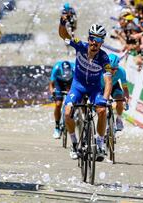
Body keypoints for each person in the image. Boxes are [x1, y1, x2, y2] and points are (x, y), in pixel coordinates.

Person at [59, 14, 113, 161]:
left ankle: (100, 143)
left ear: (102, 43)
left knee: (102, 111)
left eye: (99, 40)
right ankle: (75, 143)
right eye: (93, 39)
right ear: (88, 38)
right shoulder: (80, 45)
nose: (95, 43)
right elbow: (64, 35)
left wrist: (105, 99)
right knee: (68, 112)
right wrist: (63, 23)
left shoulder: (104, 58)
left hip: (94, 88)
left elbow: (108, 80)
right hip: (78, 86)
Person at [102, 54, 130, 131]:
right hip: (101, 87)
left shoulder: (121, 71)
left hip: (114, 85)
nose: (112, 71)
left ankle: (119, 119)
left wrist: (127, 98)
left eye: (115, 69)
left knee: (120, 99)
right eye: (111, 69)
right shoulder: (101, 70)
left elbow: (125, 87)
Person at [49, 60, 75, 139]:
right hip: (59, 82)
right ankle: (57, 127)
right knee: (58, 104)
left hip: (71, 81)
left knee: (73, 100)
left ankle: (74, 115)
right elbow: (51, 84)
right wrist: (52, 92)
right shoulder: (56, 68)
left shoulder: (74, 68)